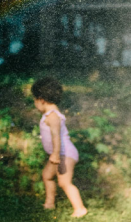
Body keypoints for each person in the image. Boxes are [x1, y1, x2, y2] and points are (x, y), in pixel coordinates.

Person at [31, 77, 88, 218]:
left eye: (34, 100)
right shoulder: (49, 115)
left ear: (41, 100)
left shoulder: (53, 117)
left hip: (64, 154)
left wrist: (55, 154)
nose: (34, 104)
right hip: (58, 154)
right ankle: (49, 204)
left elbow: (56, 136)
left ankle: (80, 209)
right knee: (47, 176)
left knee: (64, 182)